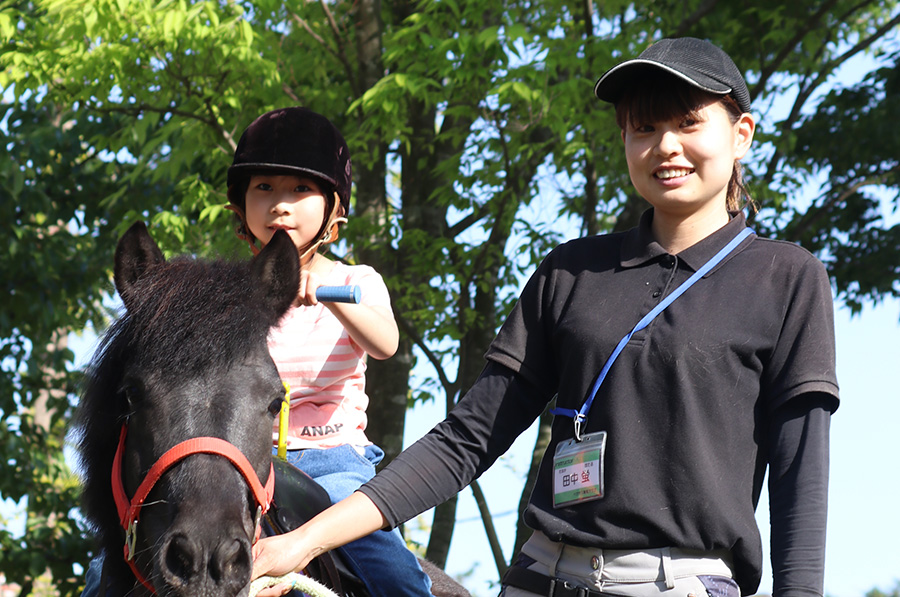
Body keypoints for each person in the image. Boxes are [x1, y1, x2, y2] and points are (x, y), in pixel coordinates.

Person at [251, 38, 839, 597]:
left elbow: (800, 478)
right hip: (541, 575)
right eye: (643, 127)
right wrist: (303, 542)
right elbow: (466, 440)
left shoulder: (787, 279)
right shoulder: (572, 272)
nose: (664, 145)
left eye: (688, 123)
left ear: (741, 135)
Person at [225, 106, 434, 597]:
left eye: (301, 190)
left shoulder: (352, 281)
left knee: (390, 567)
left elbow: (386, 344)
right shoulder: (229, 296)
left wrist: (326, 294)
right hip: (243, 462)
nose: (281, 205)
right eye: (265, 188)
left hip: (331, 460)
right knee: (129, 546)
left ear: (334, 207)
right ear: (241, 206)